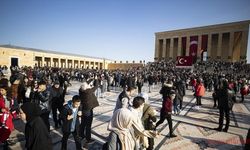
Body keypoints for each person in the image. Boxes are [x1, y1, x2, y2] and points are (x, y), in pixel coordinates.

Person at [79, 79, 99, 144]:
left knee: (83, 123)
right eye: (88, 86)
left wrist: (91, 79)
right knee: (88, 125)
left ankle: (81, 135)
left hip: (84, 109)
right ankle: (88, 139)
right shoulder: (88, 91)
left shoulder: (81, 90)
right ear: (87, 87)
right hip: (88, 110)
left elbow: (85, 84)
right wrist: (96, 79)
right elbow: (96, 86)